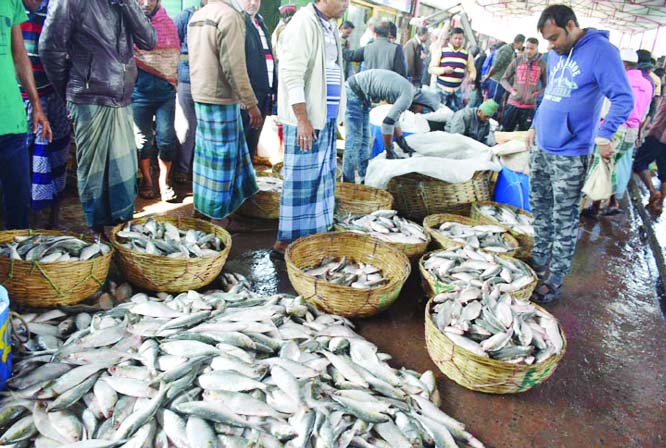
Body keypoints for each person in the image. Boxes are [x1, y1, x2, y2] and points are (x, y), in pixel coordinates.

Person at [526, 5, 633, 303]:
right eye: (547, 39)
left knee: (564, 218)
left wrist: (604, 134)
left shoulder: (602, 51)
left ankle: (555, 278)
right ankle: (537, 260)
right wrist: (535, 126)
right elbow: (550, 94)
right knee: (541, 210)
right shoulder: (556, 53)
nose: (551, 45)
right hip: (542, 147)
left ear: (572, 25)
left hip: (570, 153)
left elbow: (624, 99)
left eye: (555, 37)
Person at [40, 0, 156, 233]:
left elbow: (149, 40)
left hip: (121, 99)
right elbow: (49, 48)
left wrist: (126, 4)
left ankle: (118, 230)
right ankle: (98, 233)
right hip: (89, 100)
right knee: (95, 174)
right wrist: (71, 90)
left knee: (122, 170)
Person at [273, 0, 348, 255]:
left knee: (321, 182)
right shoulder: (303, 23)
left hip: (323, 119)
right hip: (306, 121)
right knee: (300, 184)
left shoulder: (329, 26)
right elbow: (292, 75)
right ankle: (285, 243)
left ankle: (310, 239)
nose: (347, 3)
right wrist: (303, 120)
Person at [188, 0, 262, 229]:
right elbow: (234, 67)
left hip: (201, 94)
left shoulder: (198, 16)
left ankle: (202, 208)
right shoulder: (229, 16)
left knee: (206, 158)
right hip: (220, 97)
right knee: (223, 160)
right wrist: (251, 103)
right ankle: (218, 218)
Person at [581, 48, 652, 218]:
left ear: (624, 64)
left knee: (602, 167)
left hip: (614, 129)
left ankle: (596, 207)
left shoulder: (619, 81)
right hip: (632, 131)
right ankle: (613, 202)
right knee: (615, 167)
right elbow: (645, 112)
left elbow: (606, 108)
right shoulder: (647, 84)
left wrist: (601, 130)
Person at [1, 0, 51, 230]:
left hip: (12, 118)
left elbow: (19, 54)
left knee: (17, 203)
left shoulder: (11, 2)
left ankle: (14, 264)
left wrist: (36, 105)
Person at [21, 0, 69, 228]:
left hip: (54, 96)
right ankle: (28, 222)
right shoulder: (11, 9)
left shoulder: (57, 8)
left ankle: (52, 221)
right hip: (18, 98)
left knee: (56, 156)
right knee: (23, 161)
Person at [343, 69, 440, 182]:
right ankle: (347, 182)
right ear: (422, 103)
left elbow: (394, 120)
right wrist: (389, 149)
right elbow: (387, 123)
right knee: (354, 141)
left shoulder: (410, 92)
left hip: (361, 94)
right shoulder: (408, 97)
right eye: (422, 110)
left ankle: (364, 176)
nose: (419, 113)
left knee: (365, 139)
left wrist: (401, 141)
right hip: (354, 92)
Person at [132, 0, 180, 203]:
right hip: (138, 94)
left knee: (166, 140)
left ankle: (164, 181)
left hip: (164, 95)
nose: (146, 3)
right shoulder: (130, 23)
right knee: (143, 141)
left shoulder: (168, 23)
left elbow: (172, 56)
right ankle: (148, 181)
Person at [173, 0, 208, 185]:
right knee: (187, 128)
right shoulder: (184, 17)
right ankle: (181, 170)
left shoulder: (220, 16)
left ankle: (199, 171)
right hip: (186, 81)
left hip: (209, 83)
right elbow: (171, 46)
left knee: (206, 129)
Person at [241, 0, 277, 161]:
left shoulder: (260, 23)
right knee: (242, 142)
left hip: (264, 93)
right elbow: (237, 63)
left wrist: (273, 88)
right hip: (248, 95)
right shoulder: (239, 23)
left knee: (252, 141)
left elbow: (269, 57)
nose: (253, 3)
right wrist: (243, 96)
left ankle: (245, 182)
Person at [500, 37, 547, 131]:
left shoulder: (542, 64)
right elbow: (503, 79)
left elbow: (547, 86)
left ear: (537, 48)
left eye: (532, 48)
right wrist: (511, 90)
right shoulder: (517, 61)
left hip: (529, 107)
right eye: (527, 48)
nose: (529, 51)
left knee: (523, 136)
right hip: (513, 104)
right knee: (505, 133)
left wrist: (536, 94)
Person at [428, 26, 476, 112]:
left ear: (463, 39)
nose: (458, 40)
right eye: (455, 38)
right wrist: (443, 70)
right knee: (438, 113)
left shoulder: (467, 54)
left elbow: (472, 70)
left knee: (454, 114)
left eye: (460, 38)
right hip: (440, 90)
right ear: (451, 38)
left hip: (456, 91)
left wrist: (471, 78)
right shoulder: (442, 51)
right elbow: (431, 68)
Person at [633, 98, 666, 213]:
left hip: (658, 135)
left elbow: (661, 116)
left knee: (639, 162)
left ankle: (653, 191)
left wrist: (650, 132)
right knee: (664, 171)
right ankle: (660, 203)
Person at [483, 34, 525, 116]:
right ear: (519, 42)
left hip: (501, 83)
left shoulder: (512, 51)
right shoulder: (507, 50)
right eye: (522, 44)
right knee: (492, 104)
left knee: (495, 105)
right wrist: (488, 76)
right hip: (497, 81)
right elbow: (496, 66)